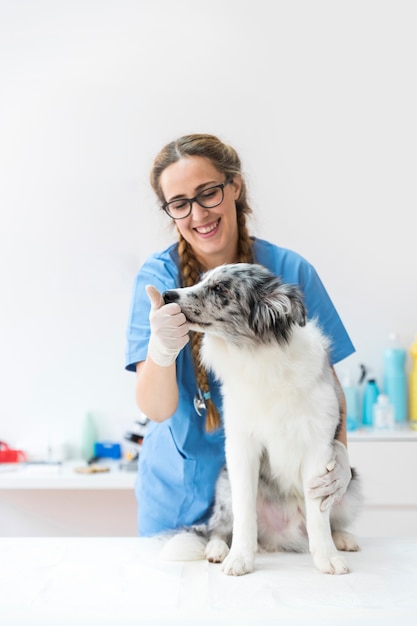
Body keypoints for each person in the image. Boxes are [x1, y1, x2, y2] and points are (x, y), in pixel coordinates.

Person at [125, 133, 355, 537]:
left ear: (234, 186)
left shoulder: (288, 272)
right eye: (180, 204)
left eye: (207, 193)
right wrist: (161, 352)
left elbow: (326, 393)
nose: (197, 214)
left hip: (273, 506)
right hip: (179, 496)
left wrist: (338, 456)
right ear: (170, 212)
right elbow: (157, 409)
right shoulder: (160, 279)